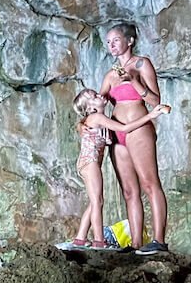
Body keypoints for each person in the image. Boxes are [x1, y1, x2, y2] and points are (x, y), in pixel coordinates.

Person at [68, 88, 170, 249]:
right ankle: (99, 241)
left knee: (94, 201)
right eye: (94, 97)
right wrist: (151, 115)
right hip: (90, 162)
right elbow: (124, 128)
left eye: (95, 93)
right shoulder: (96, 117)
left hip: (89, 163)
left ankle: (80, 238)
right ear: (89, 109)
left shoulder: (99, 118)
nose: (99, 95)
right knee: (97, 201)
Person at [99, 21, 170, 253]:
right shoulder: (110, 74)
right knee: (129, 191)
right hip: (117, 131)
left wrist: (134, 82)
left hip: (139, 128)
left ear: (129, 41)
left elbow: (155, 101)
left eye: (116, 40)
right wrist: (95, 120)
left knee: (150, 184)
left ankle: (159, 240)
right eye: (108, 42)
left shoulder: (142, 64)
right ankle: (135, 243)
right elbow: (98, 103)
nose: (111, 45)